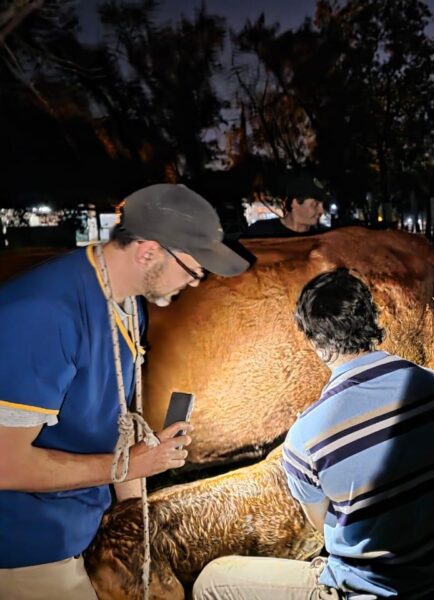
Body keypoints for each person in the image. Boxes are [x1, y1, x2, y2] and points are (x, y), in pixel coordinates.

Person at [0, 184, 249, 600]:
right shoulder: (43, 314)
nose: (197, 281)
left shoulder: (130, 303)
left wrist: (133, 526)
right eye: (194, 267)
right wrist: (127, 467)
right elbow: (5, 464)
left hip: (83, 531)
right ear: (148, 252)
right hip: (27, 549)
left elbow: (117, 420)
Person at [194, 268, 434, 600]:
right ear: (372, 320)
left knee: (211, 581)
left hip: (372, 593)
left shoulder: (306, 435)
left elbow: (325, 528)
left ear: (316, 343)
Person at [243, 170, 327, 238]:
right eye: (315, 204)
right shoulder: (260, 233)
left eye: (323, 205)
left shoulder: (323, 237)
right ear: (294, 203)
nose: (322, 211)